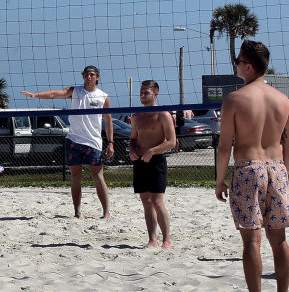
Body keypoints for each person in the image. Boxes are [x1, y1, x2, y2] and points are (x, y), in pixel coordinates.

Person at [215, 40, 289, 292]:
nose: (235, 64)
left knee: (251, 240)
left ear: (248, 67)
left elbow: (225, 146)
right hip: (276, 167)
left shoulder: (234, 100)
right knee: (279, 239)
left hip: (249, 167)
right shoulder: (283, 100)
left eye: (237, 61)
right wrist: (283, 174)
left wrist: (219, 180)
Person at [21, 65, 114, 218]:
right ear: (83, 76)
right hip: (74, 140)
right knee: (76, 177)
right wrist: (35, 95)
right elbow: (54, 94)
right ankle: (77, 212)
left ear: (97, 77)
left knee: (98, 177)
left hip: (93, 142)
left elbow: (108, 121)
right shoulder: (75, 91)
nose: (88, 77)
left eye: (91, 74)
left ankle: (106, 212)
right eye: (86, 74)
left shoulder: (103, 96)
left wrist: (110, 142)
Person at [128, 80, 177, 248]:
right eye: (141, 92)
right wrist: (132, 149)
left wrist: (152, 151)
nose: (142, 95)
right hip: (141, 162)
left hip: (156, 161)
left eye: (146, 92)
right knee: (146, 201)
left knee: (157, 201)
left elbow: (172, 142)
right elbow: (133, 139)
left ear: (155, 94)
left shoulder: (163, 114)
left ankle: (167, 240)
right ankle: (152, 239)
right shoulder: (136, 116)